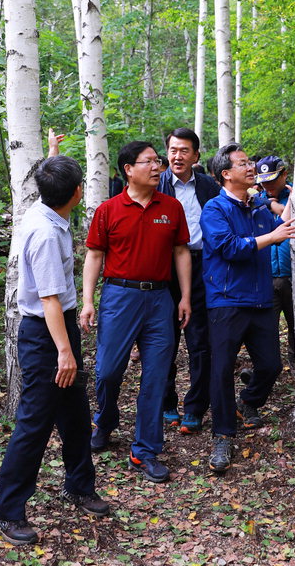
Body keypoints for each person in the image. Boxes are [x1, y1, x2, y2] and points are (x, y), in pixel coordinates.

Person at [0, 156, 110, 547]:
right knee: (34, 424)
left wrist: (52, 151)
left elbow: (49, 178)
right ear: (76, 193)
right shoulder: (44, 233)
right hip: (46, 336)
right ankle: (7, 513)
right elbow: (50, 301)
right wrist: (64, 352)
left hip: (58, 331)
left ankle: (78, 486)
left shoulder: (45, 209)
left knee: (75, 414)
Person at [80, 141, 191, 484]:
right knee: (108, 371)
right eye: (149, 162)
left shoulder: (171, 208)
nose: (158, 167)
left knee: (156, 375)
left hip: (160, 300)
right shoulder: (109, 210)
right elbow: (94, 256)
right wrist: (88, 300)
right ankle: (106, 419)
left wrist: (184, 296)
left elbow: (181, 252)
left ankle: (144, 451)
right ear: (128, 169)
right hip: (119, 296)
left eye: (158, 162)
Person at [200, 143, 295, 474]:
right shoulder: (214, 210)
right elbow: (230, 248)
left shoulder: (258, 206)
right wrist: (272, 237)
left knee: (271, 365)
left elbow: (286, 221)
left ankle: (249, 401)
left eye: (251, 162)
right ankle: (223, 435)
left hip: (259, 299)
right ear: (225, 175)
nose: (251, 168)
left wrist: (292, 193)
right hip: (227, 300)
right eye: (244, 164)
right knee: (222, 369)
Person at [157, 128, 220, 434]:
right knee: (163, 339)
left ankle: (196, 406)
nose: (177, 156)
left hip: (201, 266)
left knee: (199, 340)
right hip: (161, 269)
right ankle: (166, 401)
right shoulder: (156, 184)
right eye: (172, 150)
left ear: (196, 156)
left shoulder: (209, 186)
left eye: (184, 151)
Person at [255, 156, 295, 369]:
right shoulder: (257, 201)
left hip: (294, 275)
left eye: (272, 179)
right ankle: (267, 370)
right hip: (267, 275)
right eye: (263, 180)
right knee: (266, 327)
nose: (267, 185)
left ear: (284, 174)